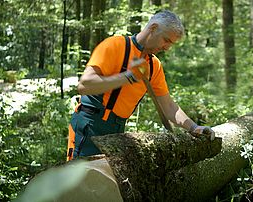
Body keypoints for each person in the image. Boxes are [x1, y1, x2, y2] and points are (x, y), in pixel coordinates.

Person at [66, 10, 215, 161]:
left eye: (171, 43)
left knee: (106, 181)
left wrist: (194, 128)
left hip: (117, 130)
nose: (167, 47)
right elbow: (85, 85)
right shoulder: (115, 45)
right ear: (153, 28)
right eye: (166, 40)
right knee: (80, 179)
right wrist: (128, 77)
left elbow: (168, 106)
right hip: (90, 123)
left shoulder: (154, 66)